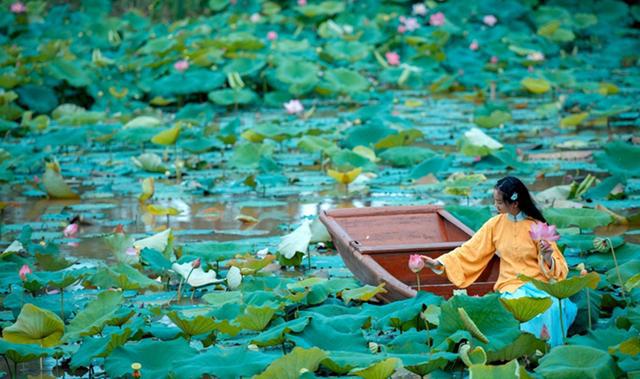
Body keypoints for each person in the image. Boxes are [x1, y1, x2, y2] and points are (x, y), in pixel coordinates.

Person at [421, 176, 576, 346]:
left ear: (514, 203)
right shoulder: (494, 225)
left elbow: (559, 266)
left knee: (553, 307)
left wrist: (547, 257)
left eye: (499, 203)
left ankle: (547, 353)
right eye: (495, 201)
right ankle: (523, 352)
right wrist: (439, 263)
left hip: (539, 284)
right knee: (516, 305)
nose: (496, 206)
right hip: (510, 285)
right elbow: (470, 250)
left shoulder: (536, 225)